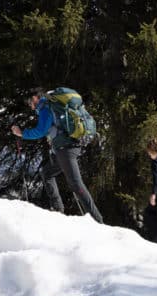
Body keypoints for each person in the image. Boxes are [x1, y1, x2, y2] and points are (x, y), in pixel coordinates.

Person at [11, 88, 103, 223]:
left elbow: (41, 131)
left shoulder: (45, 106)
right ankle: (58, 210)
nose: (29, 105)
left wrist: (21, 133)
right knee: (47, 173)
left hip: (66, 149)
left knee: (76, 184)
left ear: (36, 98)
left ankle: (98, 221)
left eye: (29, 102)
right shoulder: (54, 105)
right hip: (67, 147)